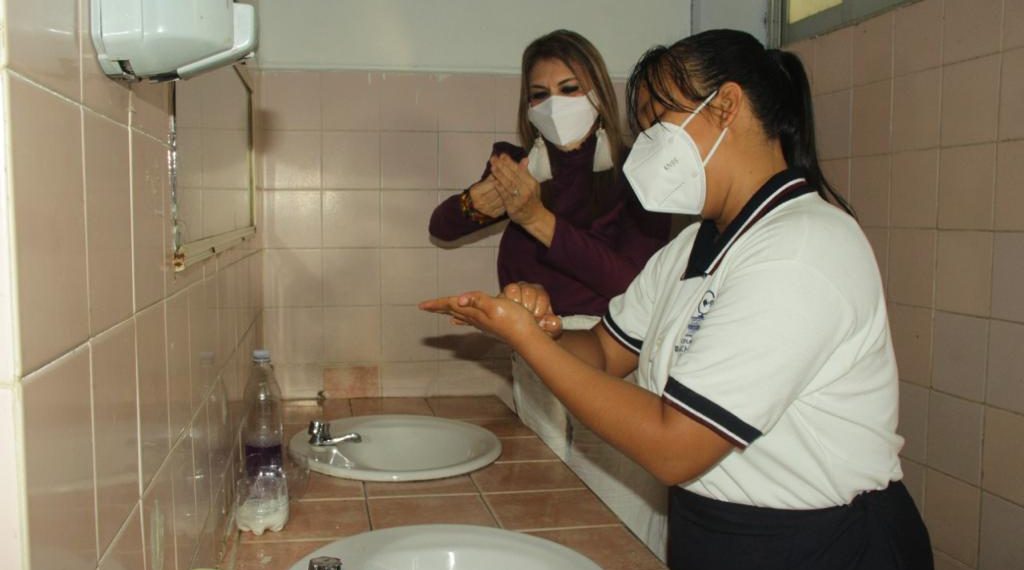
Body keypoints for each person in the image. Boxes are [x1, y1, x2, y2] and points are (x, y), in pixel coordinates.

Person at [421, 29, 933, 570]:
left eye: (659, 122)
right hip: (719, 533)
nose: (646, 147)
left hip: (822, 545)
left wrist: (528, 341)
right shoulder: (694, 245)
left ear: (727, 106)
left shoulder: (801, 247)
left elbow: (674, 446)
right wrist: (530, 327)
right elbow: (602, 351)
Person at [428, 29, 670, 317]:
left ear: (599, 94)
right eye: (540, 95)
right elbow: (441, 229)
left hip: (604, 336)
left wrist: (537, 219)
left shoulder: (638, 172)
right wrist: (474, 204)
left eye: (569, 89)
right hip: (525, 331)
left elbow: (633, 285)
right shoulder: (520, 166)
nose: (554, 105)